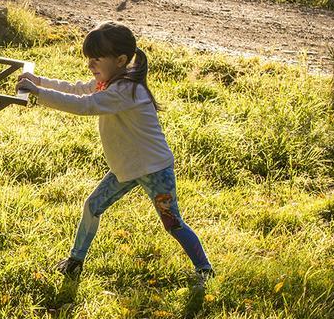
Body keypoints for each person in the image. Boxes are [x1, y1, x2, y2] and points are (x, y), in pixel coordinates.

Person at [16, 21, 214, 285]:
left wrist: (40, 93)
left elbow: (84, 105)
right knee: (93, 205)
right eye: (89, 59)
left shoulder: (125, 91)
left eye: (96, 59)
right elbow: (79, 89)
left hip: (154, 170)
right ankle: (75, 262)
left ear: (120, 60)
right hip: (126, 167)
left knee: (172, 223)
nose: (90, 65)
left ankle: (204, 269)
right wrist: (39, 82)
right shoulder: (110, 82)